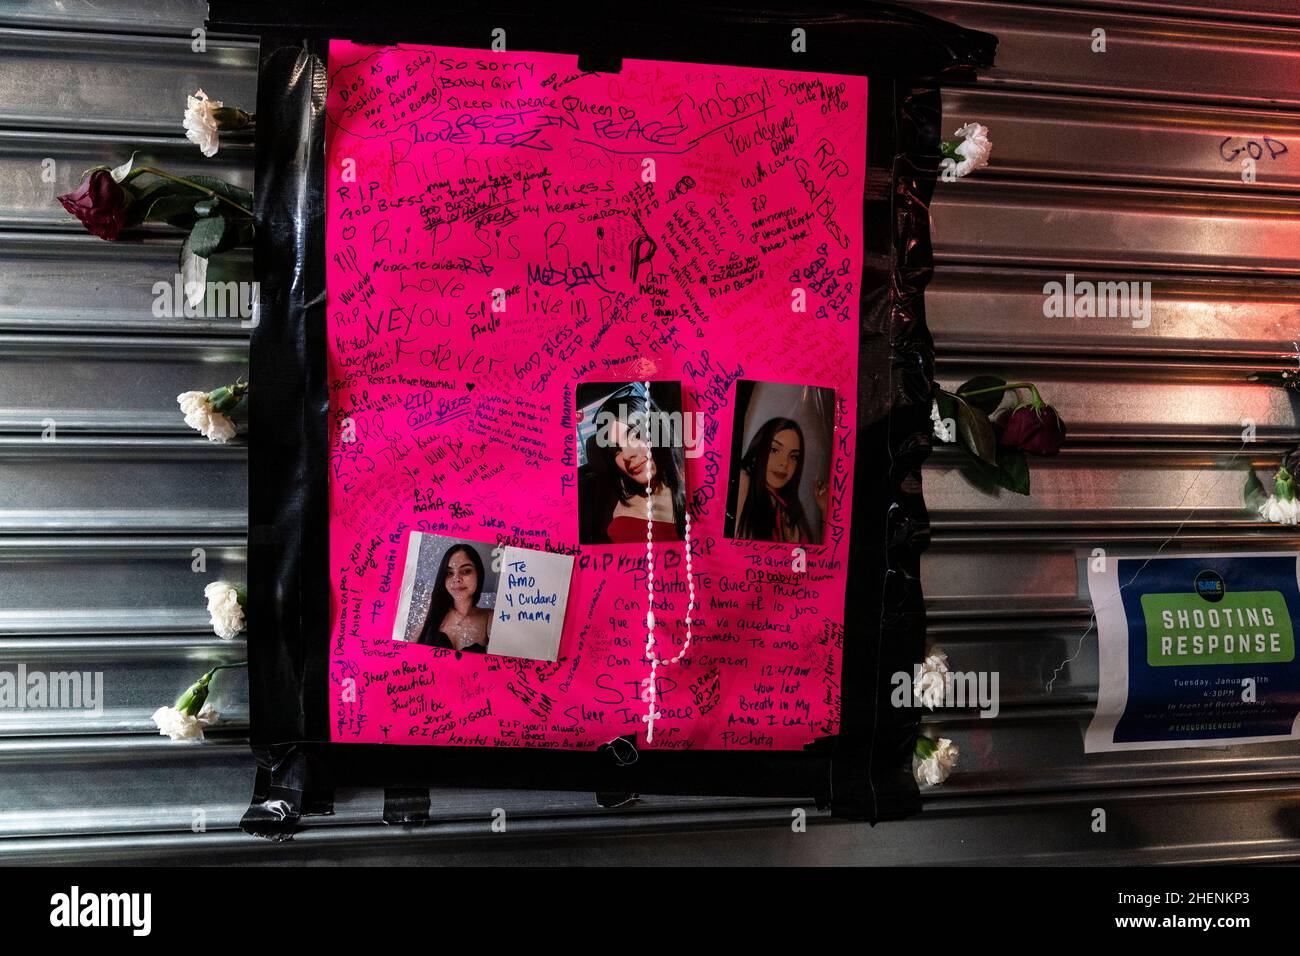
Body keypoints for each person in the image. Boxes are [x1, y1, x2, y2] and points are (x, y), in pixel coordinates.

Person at [578, 387, 686, 544]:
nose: (627, 455)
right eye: (616, 450)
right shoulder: (623, 525)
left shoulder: (693, 475)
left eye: (635, 435)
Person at [733, 417, 828, 543]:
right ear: (757, 451)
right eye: (774, 450)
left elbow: (819, 558)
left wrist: (826, 510)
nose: (784, 463)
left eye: (793, 456)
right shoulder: (744, 482)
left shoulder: (789, 507)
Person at [413, 544, 492, 652]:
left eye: (465, 571)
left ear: (479, 574)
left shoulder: (489, 617)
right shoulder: (431, 611)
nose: (456, 579)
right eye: (449, 573)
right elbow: (408, 652)